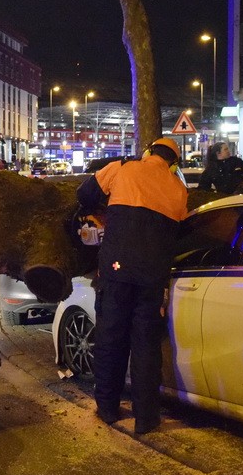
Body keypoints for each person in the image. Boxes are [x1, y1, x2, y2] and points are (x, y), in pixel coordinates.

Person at [78, 137, 189, 435]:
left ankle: (108, 408)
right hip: (152, 276)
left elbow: (84, 194)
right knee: (145, 345)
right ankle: (146, 418)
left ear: (148, 152)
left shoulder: (122, 168)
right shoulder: (179, 190)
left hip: (116, 269)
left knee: (111, 339)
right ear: (173, 163)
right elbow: (179, 228)